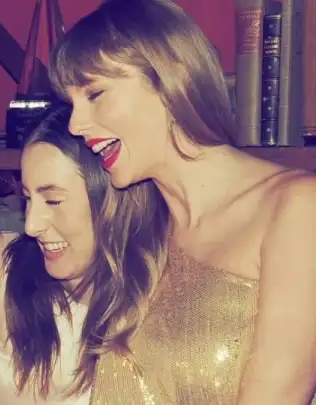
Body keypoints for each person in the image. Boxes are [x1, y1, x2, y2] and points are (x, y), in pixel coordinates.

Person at [48, 0, 316, 404]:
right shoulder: (135, 231)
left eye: (95, 93)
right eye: (72, 104)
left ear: (172, 78)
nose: (75, 124)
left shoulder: (296, 209)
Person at [0, 109, 167, 405]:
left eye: (53, 201)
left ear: (111, 203)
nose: (31, 225)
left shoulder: (158, 298)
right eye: (28, 199)